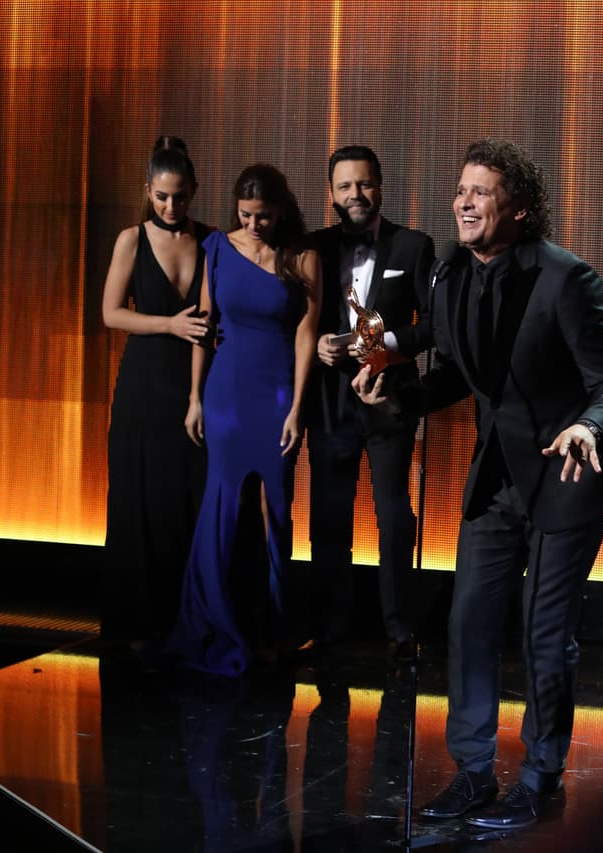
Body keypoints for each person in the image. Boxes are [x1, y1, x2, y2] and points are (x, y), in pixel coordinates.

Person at [353, 138, 603, 831]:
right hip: (499, 475)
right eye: (461, 190)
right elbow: (453, 372)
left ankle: (540, 775)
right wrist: (393, 393)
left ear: (518, 208)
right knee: (470, 616)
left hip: (568, 472)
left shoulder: (566, 278)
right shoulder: (451, 274)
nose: (464, 201)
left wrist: (590, 427)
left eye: (481, 191)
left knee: (545, 632)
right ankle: (474, 771)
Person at [166, 163, 321, 676]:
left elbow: (306, 335)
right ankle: (217, 621)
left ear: (282, 211)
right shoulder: (216, 249)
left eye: (265, 216)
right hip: (226, 392)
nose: (255, 225)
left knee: (276, 510)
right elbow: (204, 328)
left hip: (278, 391)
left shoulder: (302, 257)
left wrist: (298, 407)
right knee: (222, 507)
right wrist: (194, 397)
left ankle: (274, 629)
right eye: (247, 215)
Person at [304, 145, 436, 660]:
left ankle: (399, 631)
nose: (355, 195)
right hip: (330, 403)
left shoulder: (414, 246)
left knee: (394, 518)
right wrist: (315, 343)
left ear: (380, 186)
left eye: (364, 184)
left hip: (388, 403)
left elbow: (432, 328)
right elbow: (296, 317)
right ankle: (330, 628)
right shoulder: (313, 246)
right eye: (344, 186)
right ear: (331, 193)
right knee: (329, 519)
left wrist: (383, 346)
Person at [101, 135, 211, 654]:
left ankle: (182, 623)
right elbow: (111, 313)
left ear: (194, 191)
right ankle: (137, 627)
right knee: (138, 501)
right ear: (148, 191)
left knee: (186, 503)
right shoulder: (131, 239)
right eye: (163, 196)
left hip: (192, 387)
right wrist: (169, 323)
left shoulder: (210, 242)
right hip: (143, 384)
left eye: (181, 196)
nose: (171, 206)